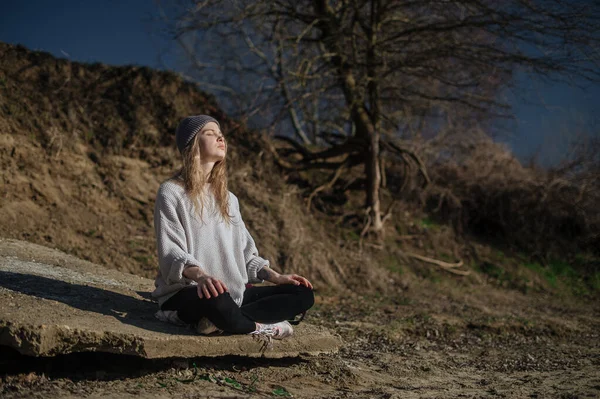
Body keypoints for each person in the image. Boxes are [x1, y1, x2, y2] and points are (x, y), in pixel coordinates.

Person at [152, 115, 314, 340]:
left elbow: (246, 255)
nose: (220, 137)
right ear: (192, 145)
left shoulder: (228, 199)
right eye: (210, 133)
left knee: (303, 294)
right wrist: (202, 277)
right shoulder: (171, 192)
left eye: (220, 133)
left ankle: (223, 321)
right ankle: (262, 326)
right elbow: (171, 253)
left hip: (232, 294)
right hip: (190, 291)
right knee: (216, 301)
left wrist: (276, 276)